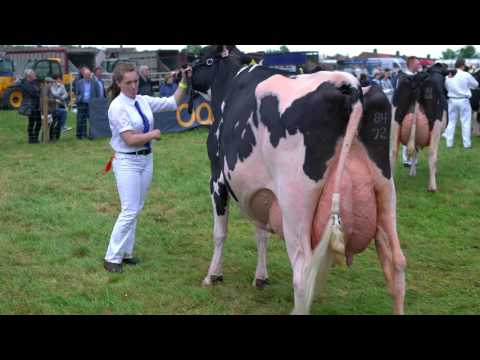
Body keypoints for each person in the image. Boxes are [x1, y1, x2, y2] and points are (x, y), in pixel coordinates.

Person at [103, 63, 192, 273]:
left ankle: (126, 253)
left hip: (145, 160)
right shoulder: (117, 107)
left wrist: (184, 82)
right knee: (130, 210)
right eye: (129, 83)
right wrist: (153, 134)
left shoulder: (142, 100)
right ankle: (111, 257)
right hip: (127, 161)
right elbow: (130, 139)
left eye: (136, 81)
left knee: (136, 207)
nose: (134, 86)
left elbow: (172, 102)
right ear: (118, 83)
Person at [443, 58, 479, 149]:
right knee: (465, 122)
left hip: (452, 99)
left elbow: (446, 87)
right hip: (463, 100)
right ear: (463, 65)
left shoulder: (448, 75)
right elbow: (475, 85)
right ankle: (466, 144)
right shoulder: (466, 74)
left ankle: (449, 143)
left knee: (451, 122)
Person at [393, 56, 421, 167]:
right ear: (411, 64)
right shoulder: (402, 77)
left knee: (417, 133)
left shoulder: (418, 76)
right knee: (406, 133)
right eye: (417, 63)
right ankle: (406, 160)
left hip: (417, 108)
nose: (419, 65)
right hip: (404, 109)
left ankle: (414, 159)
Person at [19, 69, 41, 144]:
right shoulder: (26, 84)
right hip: (31, 106)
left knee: (38, 122)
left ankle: (35, 137)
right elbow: (34, 93)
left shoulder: (34, 83)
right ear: (29, 76)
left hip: (36, 105)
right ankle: (31, 139)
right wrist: (39, 94)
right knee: (32, 122)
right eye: (33, 74)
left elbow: (39, 91)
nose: (35, 75)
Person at [75, 67, 97, 139]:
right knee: (80, 119)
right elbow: (76, 92)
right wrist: (79, 98)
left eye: (89, 74)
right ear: (83, 75)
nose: (88, 76)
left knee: (91, 120)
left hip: (91, 104)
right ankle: (79, 135)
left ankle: (91, 135)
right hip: (82, 103)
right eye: (87, 74)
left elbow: (96, 93)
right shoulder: (79, 82)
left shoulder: (94, 82)